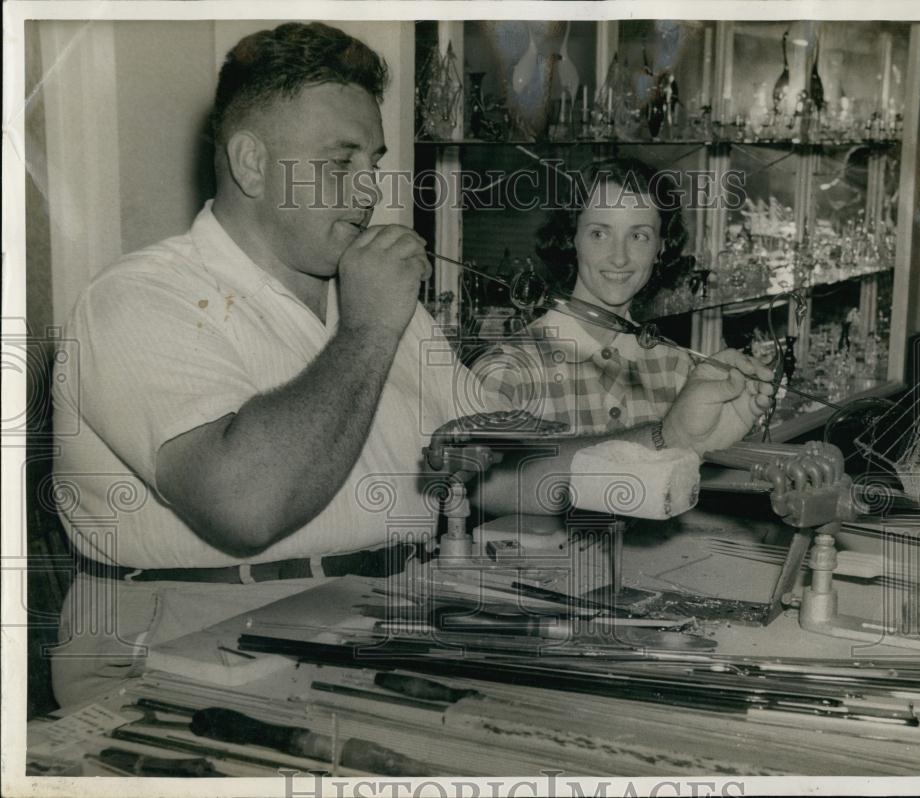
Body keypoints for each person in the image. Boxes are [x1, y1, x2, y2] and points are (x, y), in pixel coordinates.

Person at [50, 22, 773, 708]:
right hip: (186, 632)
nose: (370, 192)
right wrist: (366, 330)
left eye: (374, 164)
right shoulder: (139, 300)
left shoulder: (370, 298)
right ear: (249, 162)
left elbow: (500, 470)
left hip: (380, 614)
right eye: (339, 164)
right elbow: (243, 507)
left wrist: (667, 435)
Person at [473, 157, 699, 436]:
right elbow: (493, 480)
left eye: (639, 236)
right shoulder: (508, 373)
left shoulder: (677, 370)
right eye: (599, 234)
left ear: (661, 248)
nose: (620, 258)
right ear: (572, 238)